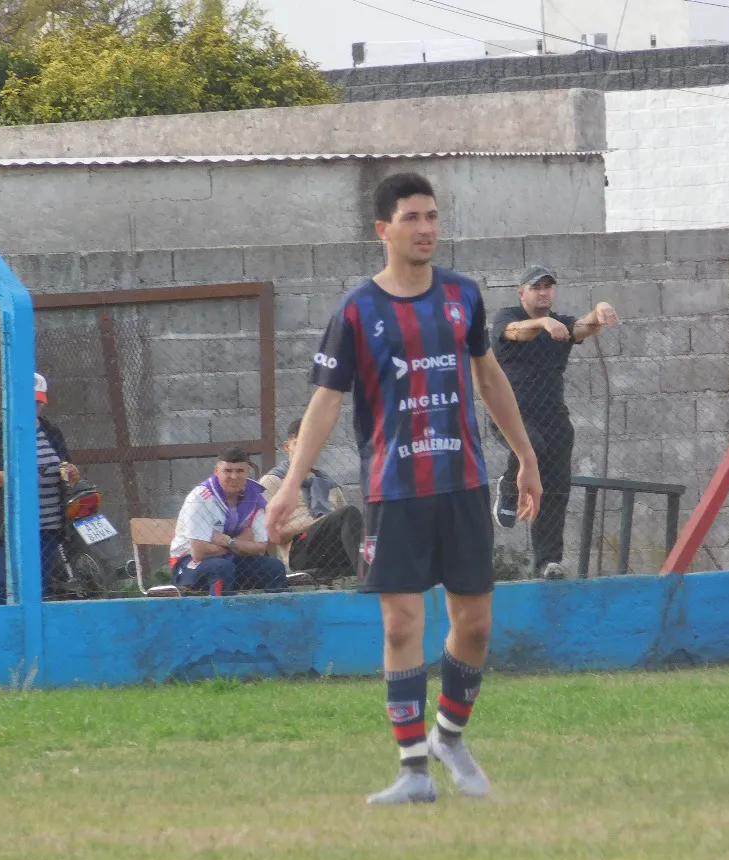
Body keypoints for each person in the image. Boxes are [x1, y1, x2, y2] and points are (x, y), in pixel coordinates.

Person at [266, 172, 542, 806]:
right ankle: (413, 771)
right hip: (395, 489)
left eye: (433, 216)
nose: (426, 228)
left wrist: (525, 455)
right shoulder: (358, 311)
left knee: (474, 625)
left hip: (464, 482)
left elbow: (490, 380)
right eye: (412, 217)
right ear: (382, 229)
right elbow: (325, 404)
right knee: (401, 626)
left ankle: (450, 735)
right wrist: (289, 488)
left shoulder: (462, 297)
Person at [491, 265, 619, 579]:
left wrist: (598, 312)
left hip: (554, 419)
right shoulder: (507, 318)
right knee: (529, 445)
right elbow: (517, 332)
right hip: (510, 416)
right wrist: (543, 323)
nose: (544, 291)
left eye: (549, 286)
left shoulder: (560, 324)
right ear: (522, 293)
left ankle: (548, 562)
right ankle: (508, 489)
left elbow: (582, 327)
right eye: (536, 287)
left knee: (556, 490)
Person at [0, 373, 80, 605]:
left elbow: (64, 463)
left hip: (47, 526)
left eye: (38, 403)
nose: (34, 407)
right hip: (8, 527)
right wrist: (17, 476)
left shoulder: (51, 431)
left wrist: (70, 472)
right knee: (0, 587)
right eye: (28, 402)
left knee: (37, 589)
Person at [169, 447, 289, 595]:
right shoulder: (200, 498)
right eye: (228, 471)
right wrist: (241, 543)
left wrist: (227, 541)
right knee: (222, 568)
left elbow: (260, 548)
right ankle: (224, 616)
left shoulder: (255, 496)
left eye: (239, 471)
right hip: (186, 562)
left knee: (274, 568)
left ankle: (276, 617)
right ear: (217, 471)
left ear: (247, 471)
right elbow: (199, 552)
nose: (234, 476)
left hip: (230, 559)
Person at [259, 417, 364, 578]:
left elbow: (346, 527)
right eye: (299, 444)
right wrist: (314, 523)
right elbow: (273, 536)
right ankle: (367, 579)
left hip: (332, 549)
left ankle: (375, 575)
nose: (306, 449)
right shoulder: (274, 481)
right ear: (288, 446)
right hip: (300, 549)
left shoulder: (329, 484)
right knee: (349, 512)